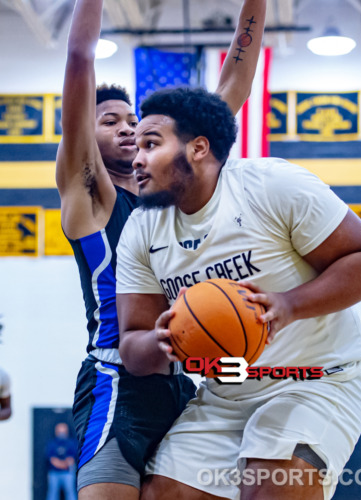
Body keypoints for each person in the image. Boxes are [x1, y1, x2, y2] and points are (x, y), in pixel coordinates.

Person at [115, 86, 361, 500]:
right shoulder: (141, 230)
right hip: (225, 394)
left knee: (269, 484)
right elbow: (133, 348)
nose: (136, 159)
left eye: (151, 144)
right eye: (136, 146)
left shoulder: (270, 186)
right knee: (160, 494)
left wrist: (287, 305)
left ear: (198, 148)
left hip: (314, 381)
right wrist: (162, 342)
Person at [56, 0, 267, 497]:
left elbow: (231, 91)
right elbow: (79, 61)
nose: (127, 127)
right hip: (117, 380)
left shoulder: (168, 196)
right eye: (110, 121)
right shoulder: (89, 196)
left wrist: (253, 11)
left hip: (182, 378)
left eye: (133, 120)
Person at [46, 422, 78, 500]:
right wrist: (64, 464)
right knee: (52, 494)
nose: (62, 433)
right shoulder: (52, 444)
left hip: (68, 473)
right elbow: (52, 460)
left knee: (70, 493)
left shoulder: (71, 443)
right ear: (56, 432)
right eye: (60, 431)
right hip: (54, 473)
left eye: (63, 431)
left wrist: (63, 463)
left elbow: (71, 460)